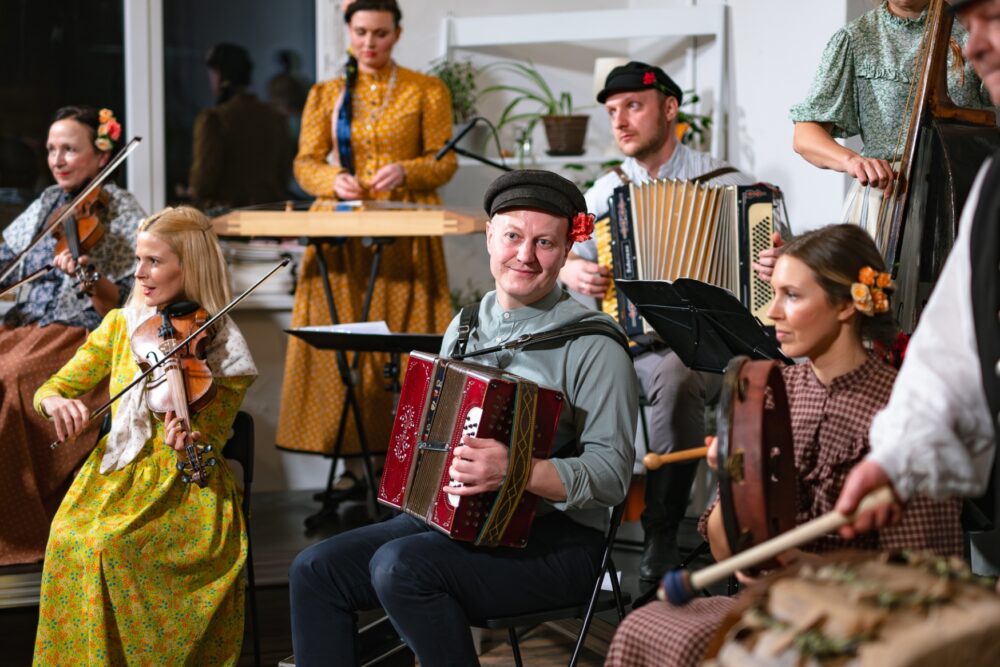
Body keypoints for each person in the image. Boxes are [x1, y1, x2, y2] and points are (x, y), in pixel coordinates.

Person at [288, 170, 638, 666]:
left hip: (560, 545)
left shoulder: (595, 347)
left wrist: (516, 471)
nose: (526, 255)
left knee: (401, 567)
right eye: (513, 236)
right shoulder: (467, 323)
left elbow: (612, 477)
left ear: (565, 252)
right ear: (490, 234)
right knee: (315, 570)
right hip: (460, 527)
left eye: (545, 242)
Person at [605, 224, 963, 667]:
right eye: (773, 293)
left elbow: (922, 580)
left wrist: (797, 562)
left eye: (792, 295)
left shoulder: (904, 413)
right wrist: (735, 482)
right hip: (770, 600)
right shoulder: (770, 390)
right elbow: (725, 553)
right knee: (644, 627)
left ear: (849, 304)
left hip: (859, 618)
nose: (772, 312)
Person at [31, 206, 258, 665]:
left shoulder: (221, 344)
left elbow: (207, 442)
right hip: (115, 477)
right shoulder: (122, 325)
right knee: (66, 536)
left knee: (108, 549)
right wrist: (57, 403)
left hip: (185, 486)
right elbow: (49, 389)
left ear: (188, 265)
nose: (140, 273)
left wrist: (187, 441)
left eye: (154, 261)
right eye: (139, 260)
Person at [558, 60, 755, 585]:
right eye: (612, 111)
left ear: (670, 109)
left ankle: (711, 528)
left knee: (687, 373)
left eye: (633, 106)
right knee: (670, 374)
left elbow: (775, 250)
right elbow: (563, 254)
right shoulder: (602, 195)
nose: (619, 121)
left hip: (724, 348)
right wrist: (575, 269)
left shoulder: (728, 183)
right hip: (637, 348)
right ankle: (660, 531)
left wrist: (771, 256)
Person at [837, 0, 1000, 577]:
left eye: (992, 19)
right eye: (969, 25)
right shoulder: (992, 190)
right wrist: (898, 459)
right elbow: (954, 341)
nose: (974, 46)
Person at [276, 0, 458, 487]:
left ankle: (405, 466)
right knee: (342, 341)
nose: (369, 43)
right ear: (348, 34)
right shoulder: (326, 93)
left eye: (380, 33)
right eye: (361, 33)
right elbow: (304, 163)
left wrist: (410, 170)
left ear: (397, 34)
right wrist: (334, 179)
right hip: (341, 237)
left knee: (403, 342)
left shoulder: (427, 89)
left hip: (406, 234)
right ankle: (354, 469)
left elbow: (444, 163)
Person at [0, 105, 145, 566]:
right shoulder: (47, 202)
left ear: (101, 156)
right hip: (27, 323)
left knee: (16, 377)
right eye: (51, 149)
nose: (57, 159)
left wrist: (88, 275)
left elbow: (122, 304)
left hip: (78, 332)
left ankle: (17, 527)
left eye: (69, 149)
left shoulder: (121, 210)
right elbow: (6, 256)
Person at [790, 0, 993, 237]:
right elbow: (805, 134)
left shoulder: (973, 31)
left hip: (962, 191)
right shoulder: (856, 37)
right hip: (885, 195)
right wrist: (854, 162)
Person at [188, 42, 293, 210]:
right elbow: (284, 175)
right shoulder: (275, 118)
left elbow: (202, 184)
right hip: (271, 218)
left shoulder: (214, 120)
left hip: (229, 221)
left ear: (218, 75)